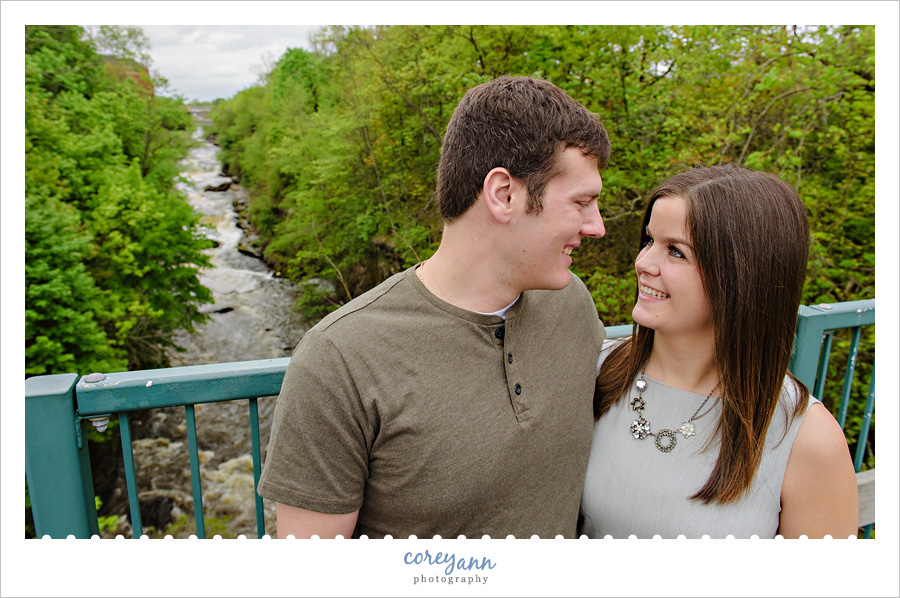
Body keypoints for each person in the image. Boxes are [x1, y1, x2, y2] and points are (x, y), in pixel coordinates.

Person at [258, 76, 611, 539]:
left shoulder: (572, 304)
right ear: (504, 194)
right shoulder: (340, 360)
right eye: (582, 202)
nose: (598, 226)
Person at [580, 165, 859, 539]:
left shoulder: (803, 439)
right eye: (649, 241)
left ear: (742, 279)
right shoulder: (594, 372)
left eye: (675, 252)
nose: (643, 263)